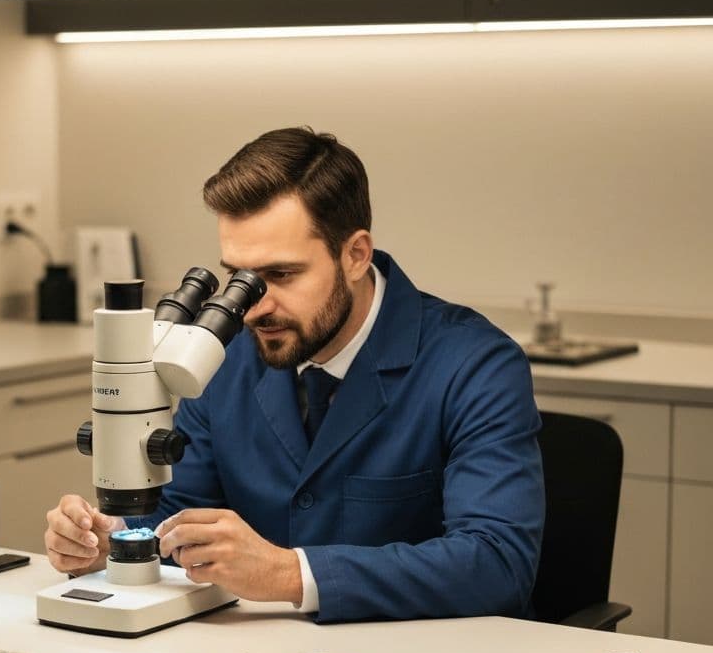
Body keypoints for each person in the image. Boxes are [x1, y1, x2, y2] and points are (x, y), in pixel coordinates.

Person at [44, 126, 544, 623]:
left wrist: (288, 574)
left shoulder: (473, 363)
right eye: (241, 277)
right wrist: (112, 540)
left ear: (355, 255)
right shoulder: (226, 357)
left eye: (281, 275)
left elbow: (497, 563)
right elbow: (177, 515)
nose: (255, 306)